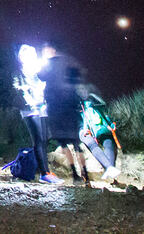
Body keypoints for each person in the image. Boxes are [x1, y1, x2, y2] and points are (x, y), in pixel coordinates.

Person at [39, 41, 91, 186]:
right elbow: (79, 77)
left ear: (51, 50)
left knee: (64, 143)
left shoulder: (49, 63)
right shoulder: (70, 61)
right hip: (70, 105)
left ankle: (75, 175)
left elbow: (40, 76)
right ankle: (85, 175)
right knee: (76, 143)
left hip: (56, 107)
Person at [13, 44, 61, 184]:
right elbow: (16, 88)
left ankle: (45, 170)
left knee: (44, 139)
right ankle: (44, 173)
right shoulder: (18, 72)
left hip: (42, 106)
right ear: (22, 57)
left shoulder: (37, 68)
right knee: (39, 140)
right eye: (27, 54)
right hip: (29, 109)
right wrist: (28, 96)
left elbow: (46, 79)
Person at [80, 93, 121, 181]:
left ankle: (109, 168)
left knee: (102, 145)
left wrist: (85, 129)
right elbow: (106, 118)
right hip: (103, 130)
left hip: (99, 130)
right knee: (108, 144)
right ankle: (111, 169)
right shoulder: (97, 108)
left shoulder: (87, 109)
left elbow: (86, 120)